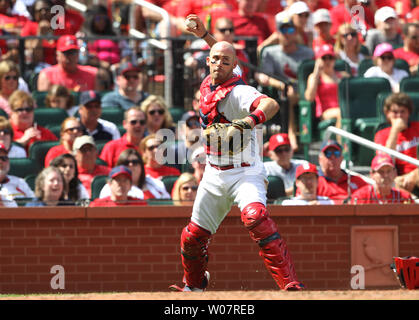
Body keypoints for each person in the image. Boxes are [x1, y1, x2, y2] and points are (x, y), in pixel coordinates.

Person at [169, 41, 304, 292]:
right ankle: (194, 287)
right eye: (215, 59)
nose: (219, 64)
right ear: (208, 60)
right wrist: (205, 34)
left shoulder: (239, 91)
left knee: (256, 218)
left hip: (245, 172)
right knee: (191, 238)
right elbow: (223, 51)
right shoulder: (210, 80)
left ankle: (290, 285)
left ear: (234, 67)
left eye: (226, 61)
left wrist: (247, 122)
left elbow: (271, 104)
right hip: (213, 172)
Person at [256, 16, 314, 151]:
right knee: (290, 94)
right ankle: (292, 134)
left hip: (306, 90)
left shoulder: (307, 52)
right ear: (278, 33)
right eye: (283, 30)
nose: (287, 34)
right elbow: (266, 77)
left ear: (296, 32)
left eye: (290, 29)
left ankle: (294, 134)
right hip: (282, 92)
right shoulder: (270, 52)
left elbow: (312, 73)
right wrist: (282, 85)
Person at [374, 92, 419, 194]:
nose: (399, 116)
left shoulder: (417, 127)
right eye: (395, 112)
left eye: (402, 112)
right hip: (397, 178)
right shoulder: (382, 134)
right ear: (387, 114)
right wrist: (395, 130)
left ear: (409, 113)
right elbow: (385, 160)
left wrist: (414, 174)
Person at [37, 34, 110, 92]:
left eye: (73, 52)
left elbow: (98, 102)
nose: (70, 57)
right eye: (65, 53)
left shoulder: (93, 74)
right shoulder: (47, 75)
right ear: (57, 55)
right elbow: (44, 105)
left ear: (78, 54)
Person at [305, 139, 369, 202]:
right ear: (320, 159)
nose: (333, 157)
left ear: (341, 158)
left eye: (336, 153)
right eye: (328, 154)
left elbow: (372, 195)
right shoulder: (314, 182)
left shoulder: (356, 180)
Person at [305, 44, 350, 129]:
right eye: (324, 58)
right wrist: (316, 71)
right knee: (341, 112)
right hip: (325, 112)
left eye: (330, 57)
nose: (327, 61)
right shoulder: (315, 77)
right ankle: (341, 141)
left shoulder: (342, 75)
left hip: (343, 109)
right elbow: (309, 98)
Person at [99, 148, 171, 200]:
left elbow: (167, 204)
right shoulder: (110, 187)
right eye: (126, 163)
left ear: (141, 166)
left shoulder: (156, 183)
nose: (131, 165)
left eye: (135, 162)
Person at [20, 0, 57, 66]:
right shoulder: (29, 26)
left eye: (46, 9)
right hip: (37, 67)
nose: (43, 12)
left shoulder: (58, 26)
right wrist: (40, 33)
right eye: (39, 10)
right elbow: (34, 56)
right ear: (34, 13)